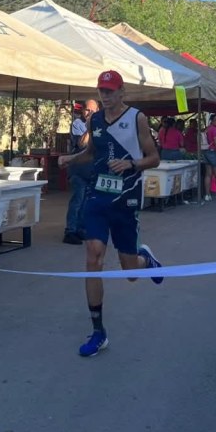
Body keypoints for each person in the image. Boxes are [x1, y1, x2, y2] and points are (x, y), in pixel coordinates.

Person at [58, 70, 163, 358]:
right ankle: (98, 331)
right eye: (101, 90)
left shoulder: (137, 118)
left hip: (126, 198)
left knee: (130, 273)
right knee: (93, 256)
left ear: (121, 92)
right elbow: (93, 152)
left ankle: (145, 260)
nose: (104, 96)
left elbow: (154, 157)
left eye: (110, 91)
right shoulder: (95, 119)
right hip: (98, 195)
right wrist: (72, 158)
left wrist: (131, 165)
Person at [64, 99, 99, 245]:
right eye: (87, 110)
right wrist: (90, 126)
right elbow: (82, 144)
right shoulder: (77, 124)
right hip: (78, 169)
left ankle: (80, 229)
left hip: (91, 169)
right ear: (82, 111)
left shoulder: (101, 125)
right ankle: (70, 231)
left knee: (86, 201)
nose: (89, 113)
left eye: (93, 111)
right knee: (77, 199)